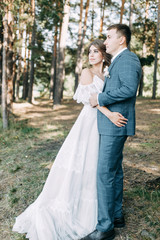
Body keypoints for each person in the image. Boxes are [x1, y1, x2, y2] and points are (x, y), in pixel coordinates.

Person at [12, 39, 127, 240]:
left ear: (103, 54)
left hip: (104, 125)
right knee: (84, 161)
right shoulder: (87, 72)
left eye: (95, 51)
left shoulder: (107, 72)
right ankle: (76, 210)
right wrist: (109, 114)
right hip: (90, 121)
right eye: (89, 52)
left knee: (99, 165)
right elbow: (91, 100)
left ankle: (100, 209)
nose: (91, 55)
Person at [81, 24, 142, 240]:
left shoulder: (128, 59)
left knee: (105, 173)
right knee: (114, 171)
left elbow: (128, 89)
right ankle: (116, 216)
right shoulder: (117, 61)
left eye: (108, 37)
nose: (105, 42)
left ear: (121, 40)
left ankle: (105, 227)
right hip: (112, 123)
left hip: (116, 123)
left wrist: (100, 99)